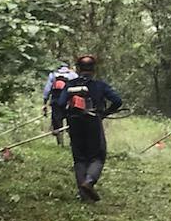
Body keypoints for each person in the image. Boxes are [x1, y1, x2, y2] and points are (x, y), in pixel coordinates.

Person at [56, 55, 122, 202]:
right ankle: (89, 181)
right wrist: (105, 113)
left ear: (78, 69)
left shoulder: (70, 85)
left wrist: (67, 115)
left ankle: (84, 195)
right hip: (93, 122)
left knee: (79, 158)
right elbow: (118, 101)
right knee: (97, 156)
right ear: (93, 70)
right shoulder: (100, 86)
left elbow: (60, 104)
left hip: (74, 123)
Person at [42, 61, 77, 145]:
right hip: (69, 102)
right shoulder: (73, 75)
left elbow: (47, 90)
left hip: (56, 101)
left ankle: (60, 143)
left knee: (57, 122)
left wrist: (45, 102)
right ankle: (72, 142)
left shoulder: (53, 75)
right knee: (72, 122)